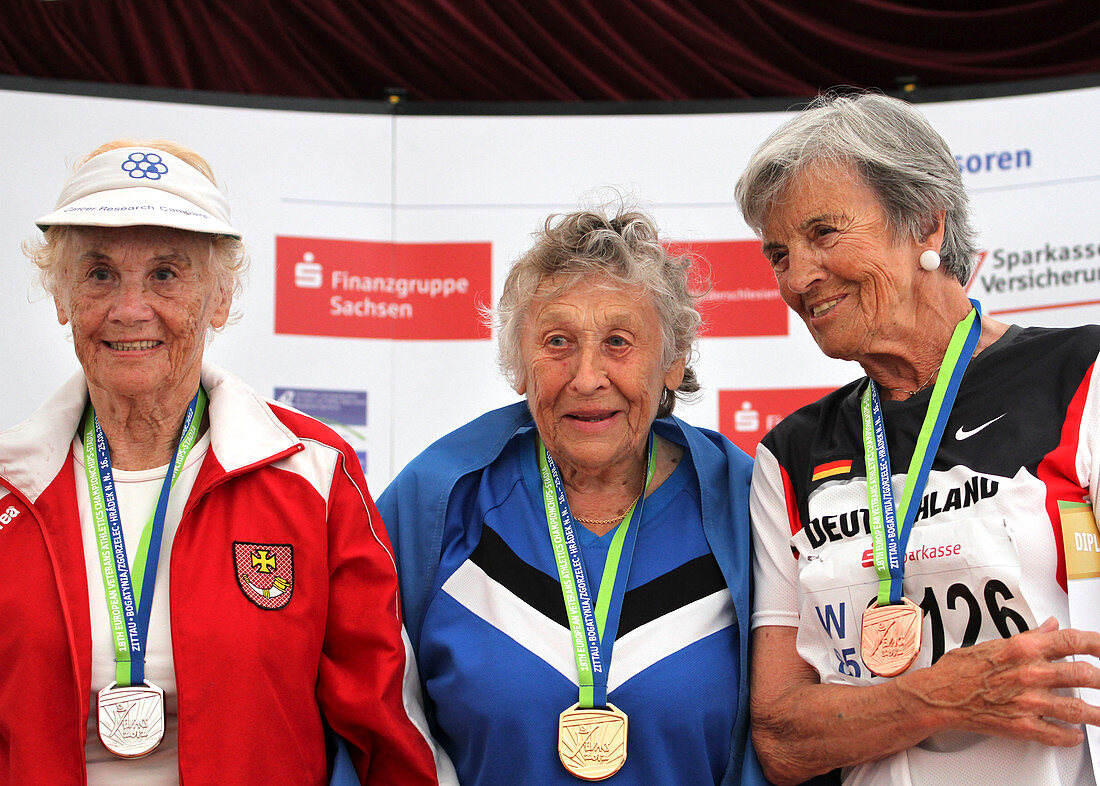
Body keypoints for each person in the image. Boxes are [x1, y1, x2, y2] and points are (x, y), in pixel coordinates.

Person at [0, 139, 452, 784]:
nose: (130, 309)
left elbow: (385, 727)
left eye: (166, 273)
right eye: (100, 273)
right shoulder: (8, 486)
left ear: (219, 297)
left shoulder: (313, 474)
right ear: (61, 298)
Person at [735, 91, 1100, 785]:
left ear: (926, 225)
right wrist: (934, 697)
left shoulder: (1081, 375)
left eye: (823, 233)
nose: (799, 277)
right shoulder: (790, 454)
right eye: (779, 253)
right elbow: (782, 738)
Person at [377, 207, 765, 784]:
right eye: (557, 341)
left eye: (618, 341)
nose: (587, 377)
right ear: (519, 366)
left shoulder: (746, 508)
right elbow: (373, 725)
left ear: (672, 361)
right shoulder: (436, 503)